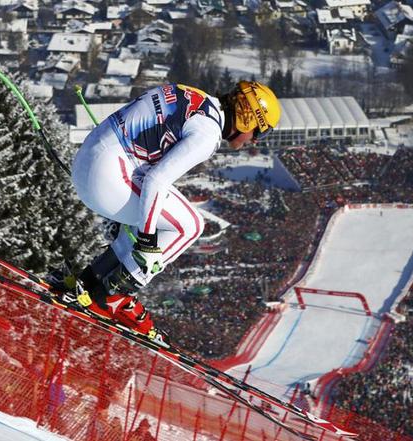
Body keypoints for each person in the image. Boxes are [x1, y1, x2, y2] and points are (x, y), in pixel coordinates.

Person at [46, 81, 281, 343]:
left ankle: (93, 279)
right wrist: (146, 241)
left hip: (89, 161)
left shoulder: (197, 97)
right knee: (189, 226)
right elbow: (157, 180)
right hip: (108, 176)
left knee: (155, 211)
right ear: (247, 118)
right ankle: (114, 295)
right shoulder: (207, 133)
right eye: (259, 133)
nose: (254, 140)